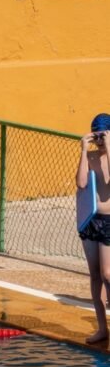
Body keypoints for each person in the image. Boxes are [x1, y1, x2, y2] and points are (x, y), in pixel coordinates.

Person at [77, 113, 110, 344]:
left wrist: (109, 148)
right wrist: (82, 150)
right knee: (95, 276)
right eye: (96, 135)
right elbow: (80, 183)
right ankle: (102, 328)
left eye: (102, 134)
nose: (98, 139)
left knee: (108, 274)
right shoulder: (89, 156)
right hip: (91, 220)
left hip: (109, 222)